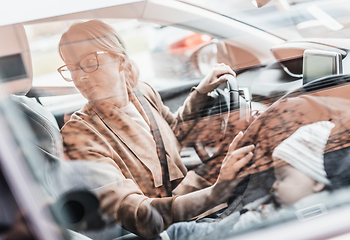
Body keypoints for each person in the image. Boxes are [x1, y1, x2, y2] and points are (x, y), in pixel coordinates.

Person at [58, 19, 255, 238]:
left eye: (89, 62)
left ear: (120, 61)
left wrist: (200, 93)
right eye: (72, 68)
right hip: (172, 230)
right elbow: (138, 213)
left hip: (198, 204)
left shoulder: (142, 93)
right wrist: (216, 191)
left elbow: (172, 133)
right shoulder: (79, 134)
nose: (79, 76)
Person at [161, 121, 334, 240]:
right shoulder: (281, 207)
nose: (274, 185)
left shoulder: (310, 221)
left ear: (317, 182)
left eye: (283, 177)